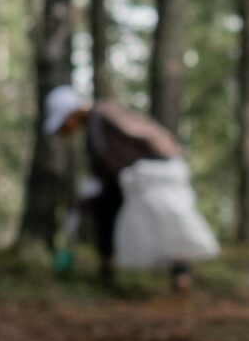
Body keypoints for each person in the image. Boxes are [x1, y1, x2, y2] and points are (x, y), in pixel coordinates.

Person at [44, 85, 196, 292]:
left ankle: (178, 275)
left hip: (150, 173)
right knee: (121, 212)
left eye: (63, 123)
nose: (64, 129)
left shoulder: (100, 118)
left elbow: (127, 147)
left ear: (71, 112)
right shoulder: (97, 121)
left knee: (164, 218)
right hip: (136, 177)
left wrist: (96, 188)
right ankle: (110, 271)